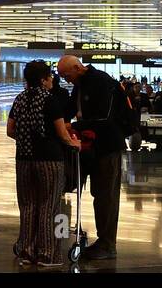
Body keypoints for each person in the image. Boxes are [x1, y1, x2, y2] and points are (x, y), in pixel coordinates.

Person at [8, 60, 81, 267]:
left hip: (23, 159)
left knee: (28, 206)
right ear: (43, 80)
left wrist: (27, 139)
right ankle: (47, 255)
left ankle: (26, 252)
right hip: (49, 160)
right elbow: (62, 133)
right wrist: (73, 143)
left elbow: (10, 130)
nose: (52, 80)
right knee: (49, 205)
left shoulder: (19, 99)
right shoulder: (50, 101)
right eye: (50, 77)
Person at [57, 54, 127, 261]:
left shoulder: (101, 82)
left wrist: (73, 126)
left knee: (106, 196)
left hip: (107, 147)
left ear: (78, 68)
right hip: (90, 146)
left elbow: (104, 118)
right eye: (61, 76)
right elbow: (69, 108)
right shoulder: (80, 84)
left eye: (66, 75)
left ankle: (107, 244)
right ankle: (101, 242)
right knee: (96, 193)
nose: (65, 79)